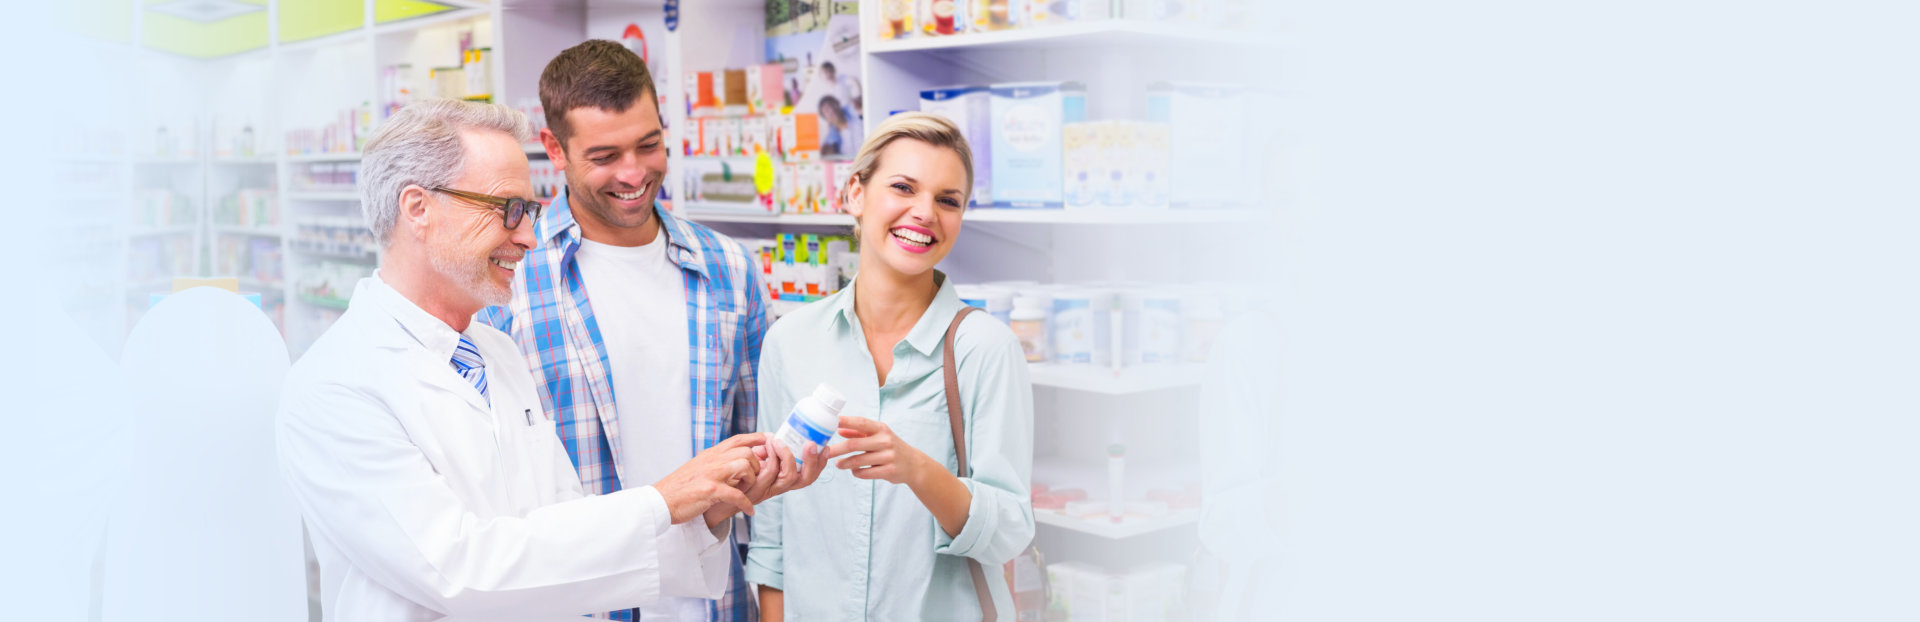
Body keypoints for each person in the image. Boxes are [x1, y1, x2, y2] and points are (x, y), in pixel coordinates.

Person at [276, 99, 808, 621]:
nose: (529, 236)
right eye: (509, 209)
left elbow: (569, 526)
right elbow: (458, 571)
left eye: (529, 211)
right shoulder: (336, 386)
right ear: (419, 209)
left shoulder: (495, 354)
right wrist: (660, 502)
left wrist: (703, 511)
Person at [477, 40, 811, 622]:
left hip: (715, 601)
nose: (634, 174)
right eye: (605, 155)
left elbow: (760, 449)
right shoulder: (511, 280)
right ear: (554, 148)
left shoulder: (728, 270)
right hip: (576, 604)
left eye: (649, 145)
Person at [746, 112, 1036, 621]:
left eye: (948, 200)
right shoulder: (790, 342)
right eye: (903, 187)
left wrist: (918, 470)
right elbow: (773, 530)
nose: (925, 212)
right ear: (855, 193)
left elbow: (1009, 529)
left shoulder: (985, 348)